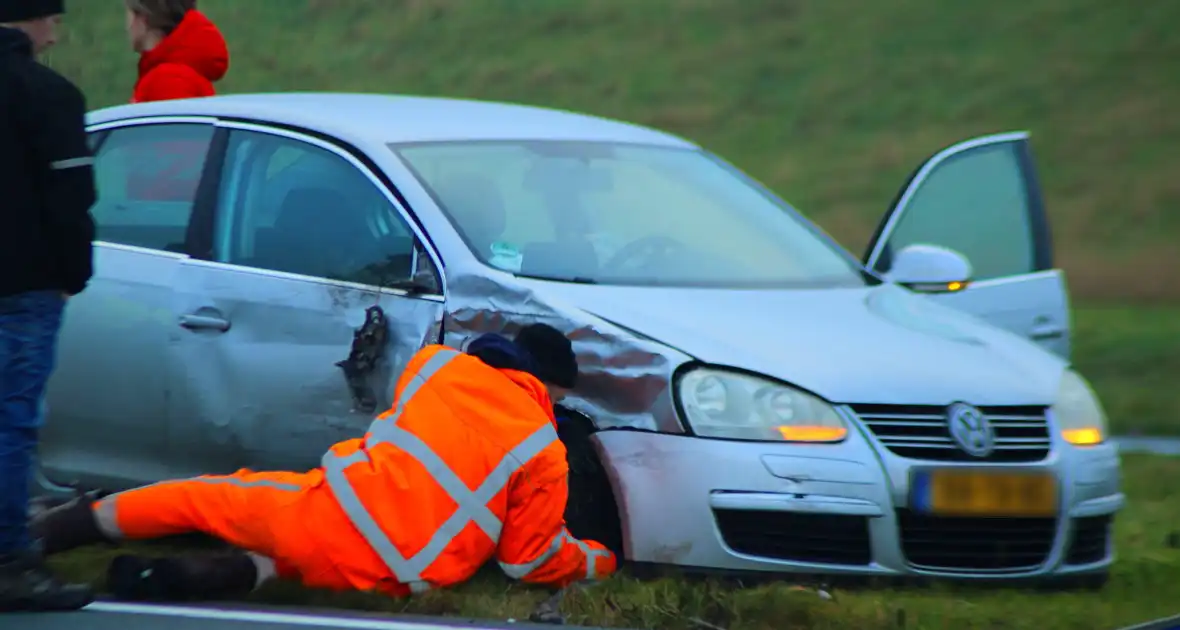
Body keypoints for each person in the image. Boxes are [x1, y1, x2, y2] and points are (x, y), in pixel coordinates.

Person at [31, 324, 618, 601]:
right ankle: (183, 579)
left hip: (335, 511)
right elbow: (529, 561)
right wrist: (597, 559)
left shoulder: (437, 366)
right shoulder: (545, 450)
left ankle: (52, 534)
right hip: (411, 573)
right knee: (287, 566)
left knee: (207, 497)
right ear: (548, 387)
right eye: (558, 398)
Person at [0, 0, 98, 613]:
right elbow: (70, 200)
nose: (57, 36)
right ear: (33, 22)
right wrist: (71, 275)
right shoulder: (48, 94)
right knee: (10, 425)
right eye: (55, 22)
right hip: (22, 287)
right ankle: (8, 560)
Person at [125, 0, 229, 103]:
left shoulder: (167, 80)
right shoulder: (172, 74)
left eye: (129, 14)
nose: (128, 26)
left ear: (143, 18)